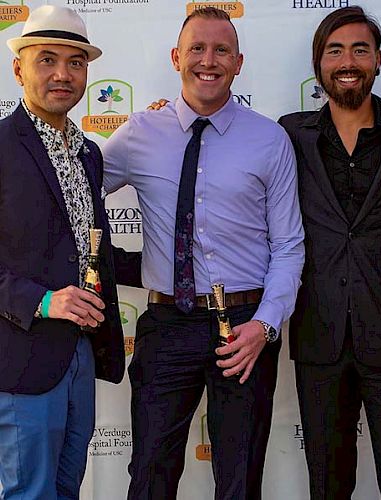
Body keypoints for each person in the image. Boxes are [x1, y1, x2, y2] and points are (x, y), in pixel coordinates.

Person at [102, 7, 304, 499]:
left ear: (238, 62)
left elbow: (289, 245)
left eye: (220, 50)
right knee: (149, 474)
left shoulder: (269, 139)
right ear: (177, 57)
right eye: (197, 48)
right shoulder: (138, 133)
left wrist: (266, 324)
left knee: (238, 480)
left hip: (246, 326)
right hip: (167, 324)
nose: (207, 60)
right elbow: (74, 196)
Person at [278, 6, 381, 499]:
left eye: (360, 49)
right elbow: (229, 153)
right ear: (318, 63)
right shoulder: (288, 134)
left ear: (377, 60)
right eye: (335, 50)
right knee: (327, 483)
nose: (348, 61)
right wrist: (168, 119)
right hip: (318, 334)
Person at [0, 5, 125, 499]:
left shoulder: (88, 153)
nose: (62, 74)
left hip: (79, 352)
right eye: (46, 59)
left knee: (67, 487)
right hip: (24, 352)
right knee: (31, 493)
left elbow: (85, 247)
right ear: (18, 68)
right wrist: (44, 300)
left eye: (75, 62)